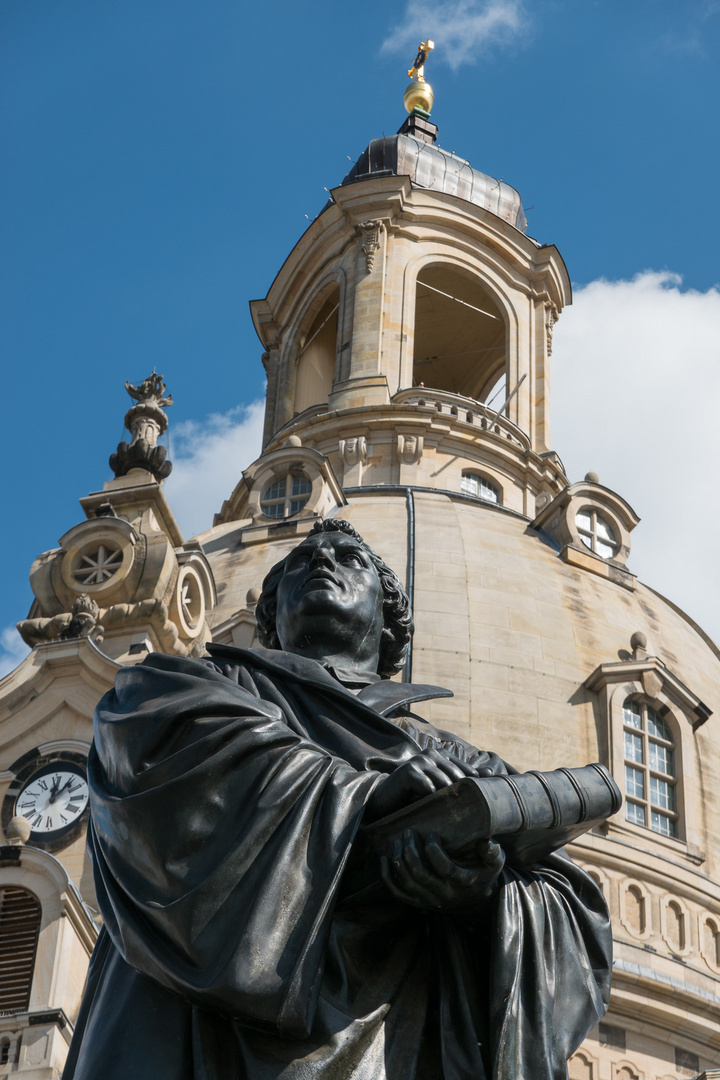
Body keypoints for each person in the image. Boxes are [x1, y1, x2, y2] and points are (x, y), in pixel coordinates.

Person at [63, 519, 612, 1080]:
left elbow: (572, 913)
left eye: (350, 559)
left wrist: (478, 894)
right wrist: (363, 794)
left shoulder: (457, 760)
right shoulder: (205, 685)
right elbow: (152, 747)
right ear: (270, 619)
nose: (322, 564)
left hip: (395, 1030)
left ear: (388, 618)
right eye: (301, 563)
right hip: (198, 1028)